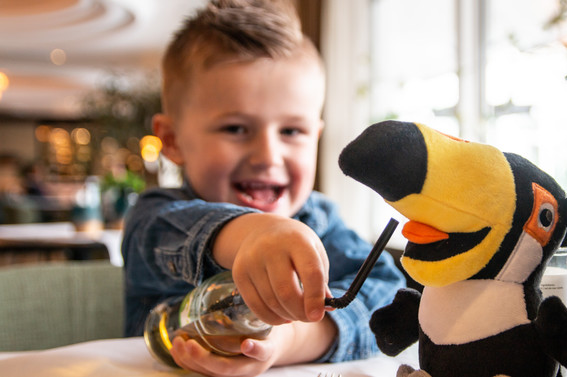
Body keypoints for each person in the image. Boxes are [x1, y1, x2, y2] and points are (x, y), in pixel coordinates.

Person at [121, 1, 406, 376]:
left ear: (316, 137)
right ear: (172, 140)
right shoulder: (154, 215)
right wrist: (252, 233)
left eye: (292, 131)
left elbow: (386, 297)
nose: (268, 155)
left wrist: (290, 341)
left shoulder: (318, 218)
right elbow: (162, 236)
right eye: (236, 129)